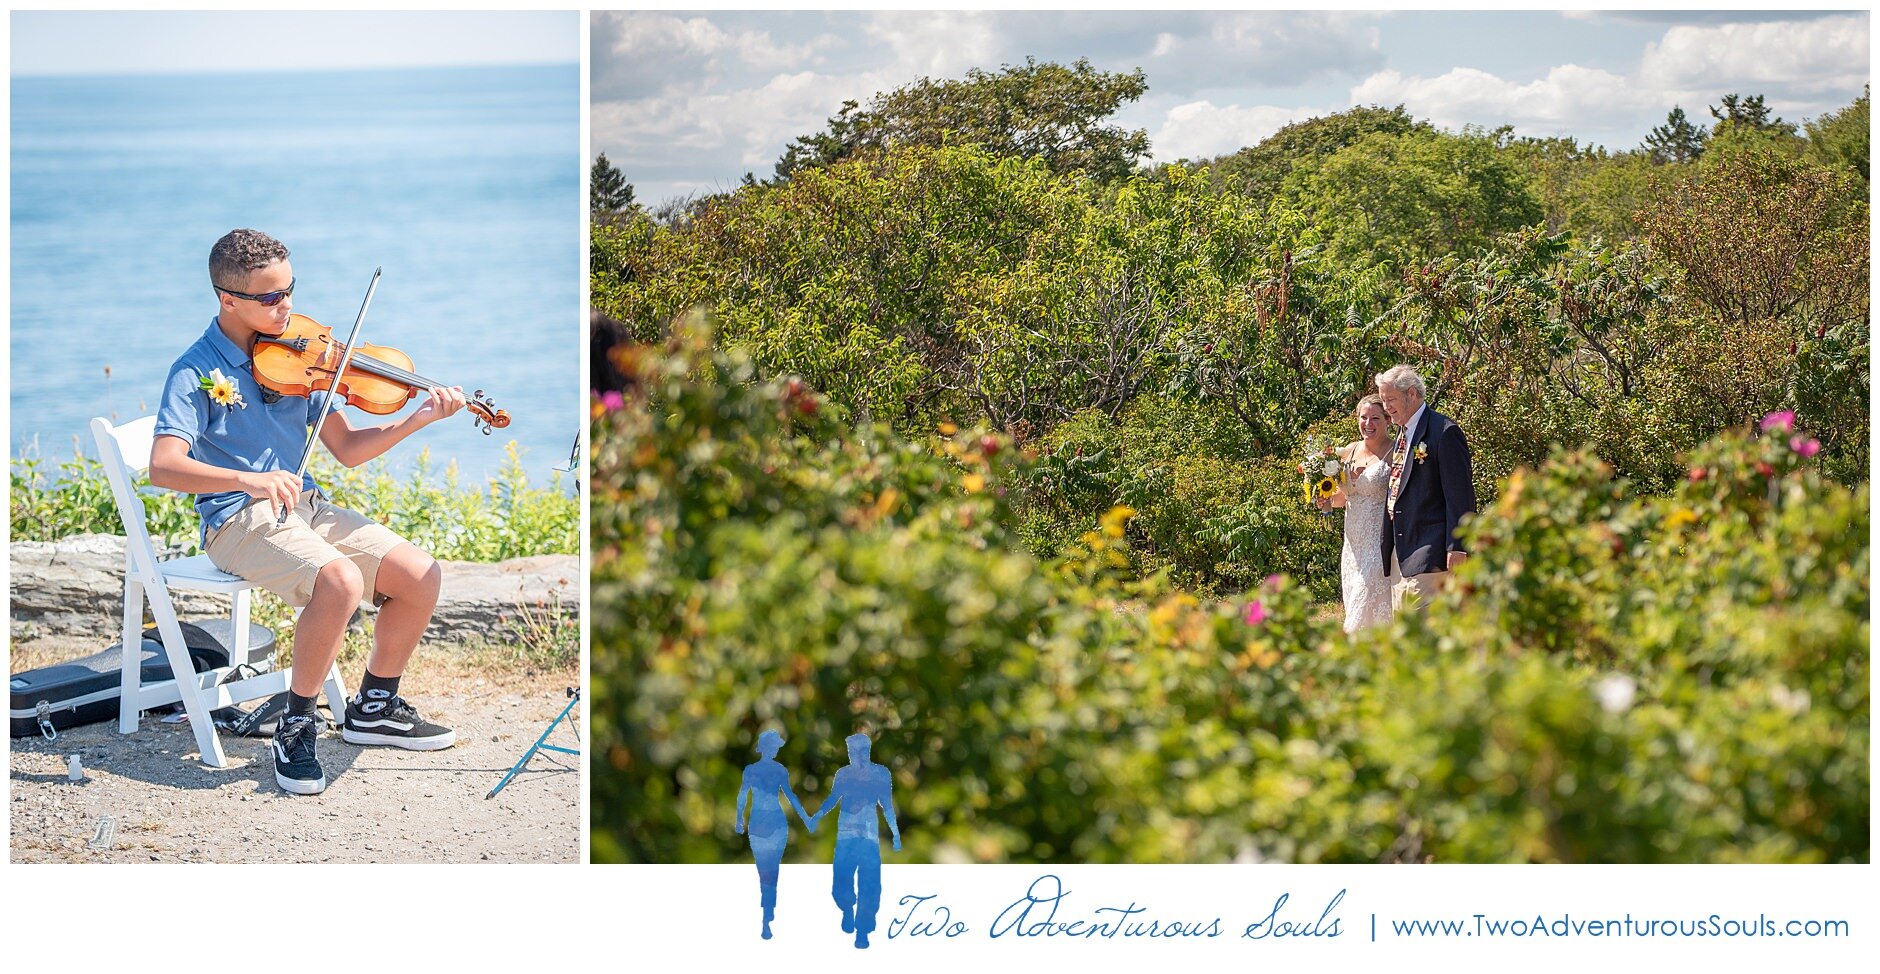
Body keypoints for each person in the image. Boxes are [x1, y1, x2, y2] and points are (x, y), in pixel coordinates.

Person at [149, 229, 466, 796]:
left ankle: (374, 706)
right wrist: (248, 477)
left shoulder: (298, 352)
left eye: (290, 290)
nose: (287, 307)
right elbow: (164, 467)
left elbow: (348, 449)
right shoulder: (195, 370)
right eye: (270, 298)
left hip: (306, 506)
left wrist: (417, 419)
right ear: (228, 299)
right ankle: (295, 725)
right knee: (339, 580)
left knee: (421, 575)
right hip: (237, 518)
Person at [1373, 365, 1477, 611]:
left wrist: (1458, 547)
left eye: (1390, 399)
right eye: (1383, 400)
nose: (1386, 407)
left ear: (1411, 394)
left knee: (1425, 632)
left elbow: (1460, 498)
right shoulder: (1403, 432)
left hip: (1430, 552)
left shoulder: (1444, 432)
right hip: (1401, 552)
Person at [808, 733, 901, 949]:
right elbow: (833, 799)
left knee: (869, 884)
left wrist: (895, 834)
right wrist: (817, 816)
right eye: (849, 752)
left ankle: (863, 930)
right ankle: (847, 908)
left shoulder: (880, 774)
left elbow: (887, 806)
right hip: (846, 835)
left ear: (865, 751)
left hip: (868, 837)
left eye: (856, 752)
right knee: (841, 881)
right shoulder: (843, 775)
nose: (852, 756)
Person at [1316, 394, 1394, 632]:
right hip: (1352, 545)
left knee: (1364, 601)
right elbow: (1343, 498)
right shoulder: (1349, 451)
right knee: (1355, 601)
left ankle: (1348, 651)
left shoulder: (1395, 452)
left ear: (1388, 420)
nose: (1368, 424)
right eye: (1363, 417)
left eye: (1375, 418)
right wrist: (1325, 500)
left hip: (1378, 542)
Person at [733, 729, 815, 940]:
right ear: (766, 748)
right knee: (765, 870)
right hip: (762, 822)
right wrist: (738, 818)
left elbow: (790, 796)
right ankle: (766, 913)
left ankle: (768, 914)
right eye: (774, 747)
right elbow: (743, 795)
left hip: (773, 822)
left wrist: (806, 818)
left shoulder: (778, 770)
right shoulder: (754, 771)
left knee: (771, 870)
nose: (775, 750)